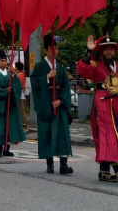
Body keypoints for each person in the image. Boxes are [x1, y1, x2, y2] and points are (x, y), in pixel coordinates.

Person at [76, 34, 118, 186]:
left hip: (117, 106)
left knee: (115, 134)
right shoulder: (96, 65)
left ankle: (104, 171)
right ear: (101, 52)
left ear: (115, 51)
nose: (108, 52)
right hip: (102, 104)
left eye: (111, 49)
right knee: (108, 136)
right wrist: (88, 52)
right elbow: (82, 69)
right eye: (105, 49)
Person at [30, 34, 74, 175]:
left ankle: (63, 164)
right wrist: (47, 77)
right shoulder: (39, 67)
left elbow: (66, 87)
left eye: (56, 48)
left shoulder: (60, 68)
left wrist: (60, 101)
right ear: (45, 50)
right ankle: (49, 163)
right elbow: (34, 84)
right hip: (46, 105)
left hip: (59, 105)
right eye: (50, 48)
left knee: (62, 133)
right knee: (47, 133)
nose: (54, 50)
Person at [0, 50, 26, 157]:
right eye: (2, 61)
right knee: (0, 127)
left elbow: (18, 86)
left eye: (5, 61)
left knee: (10, 127)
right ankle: (0, 149)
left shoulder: (11, 75)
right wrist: (6, 91)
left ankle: (7, 149)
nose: (4, 63)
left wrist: (14, 81)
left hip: (10, 105)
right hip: (0, 106)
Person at [15, 61, 30, 132]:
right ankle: (22, 125)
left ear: (17, 67)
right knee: (20, 111)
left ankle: (25, 126)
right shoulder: (20, 74)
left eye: (15, 66)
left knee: (22, 111)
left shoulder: (20, 75)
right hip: (20, 95)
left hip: (20, 95)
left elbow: (19, 86)